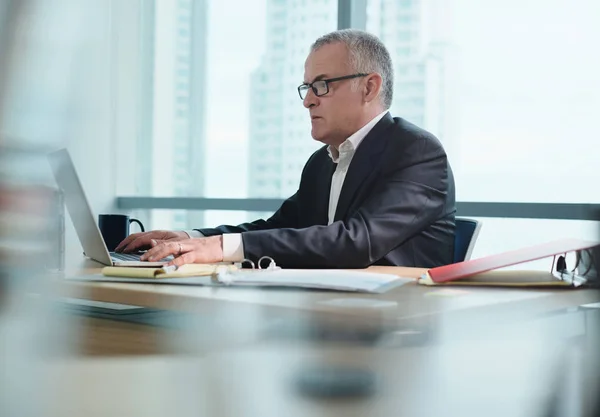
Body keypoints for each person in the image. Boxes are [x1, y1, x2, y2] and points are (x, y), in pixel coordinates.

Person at [116, 29, 456, 269]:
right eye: (307, 87)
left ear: (369, 87)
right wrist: (190, 237)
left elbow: (356, 241)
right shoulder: (322, 163)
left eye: (321, 86)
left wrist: (220, 249)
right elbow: (278, 228)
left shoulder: (417, 152)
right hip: (328, 315)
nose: (308, 100)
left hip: (397, 330)